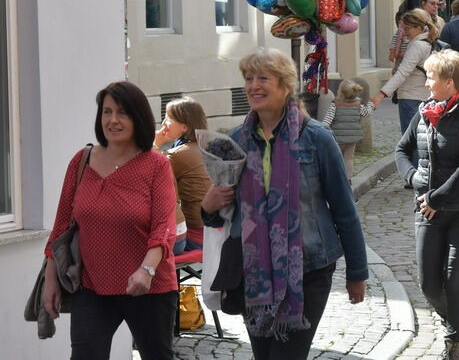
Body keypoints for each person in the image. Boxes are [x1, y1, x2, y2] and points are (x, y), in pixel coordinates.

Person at [202, 49, 368, 359]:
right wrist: (208, 207)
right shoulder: (235, 140)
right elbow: (223, 217)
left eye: (263, 78)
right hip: (253, 272)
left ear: (285, 85)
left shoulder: (317, 138)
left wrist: (357, 272)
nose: (254, 85)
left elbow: (345, 210)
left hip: (309, 268)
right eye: (249, 78)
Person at [44, 81, 178, 359]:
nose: (112, 120)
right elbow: (60, 226)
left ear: (138, 117)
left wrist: (147, 270)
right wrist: (50, 279)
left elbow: (163, 228)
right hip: (91, 286)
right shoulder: (81, 161)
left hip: (148, 287)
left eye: (122, 113)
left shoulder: (156, 165)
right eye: (107, 112)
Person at [394, 51, 459, 360]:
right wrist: (414, 180)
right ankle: (456, 321)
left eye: (431, 77)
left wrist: (436, 198)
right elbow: (401, 149)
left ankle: (454, 340)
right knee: (428, 285)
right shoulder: (424, 112)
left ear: (449, 82)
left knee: (453, 277)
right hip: (427, 207)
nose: (425, 83)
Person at [154, 96, 212, 252]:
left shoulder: (177, 154)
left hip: (195, 235)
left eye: (168, 118)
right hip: (216, 231)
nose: (163, 123)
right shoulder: (209, 146)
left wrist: (156, 144)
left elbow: (156, 176)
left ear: (185, 127)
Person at [373, 9, 438, 131]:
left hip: (411, 97)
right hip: (424, 96)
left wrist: (380, 95)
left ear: (417, 27)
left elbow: (402, 73)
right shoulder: (428, 42)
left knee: (411, 141)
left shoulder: (418, 45)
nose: (404, 33)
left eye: (407, 29)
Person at [322, 79, 375, 183]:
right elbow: (366, 113)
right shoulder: (358, 104)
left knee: (337, 158)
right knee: (349, 158)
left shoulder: (335, 104)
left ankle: (336, 177)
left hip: (338, 137)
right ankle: (348, 178)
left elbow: (327, 120)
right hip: (352, 138)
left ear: (340, 92)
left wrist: (320, 128)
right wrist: (370, 105)